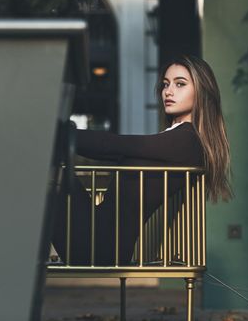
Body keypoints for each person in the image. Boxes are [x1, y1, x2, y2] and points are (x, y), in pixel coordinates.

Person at [52, 55, 231, 266]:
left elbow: (116, 146)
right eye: (166, 84)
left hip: (100, 246)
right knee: (43, 170)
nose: (168, 91)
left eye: (180, 84)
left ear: (202, 92)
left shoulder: (187, 140)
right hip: (96, 235)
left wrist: (62, 134)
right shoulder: (175, 137)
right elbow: (116, 150)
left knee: (42, 172)